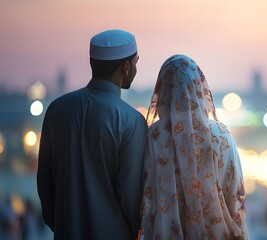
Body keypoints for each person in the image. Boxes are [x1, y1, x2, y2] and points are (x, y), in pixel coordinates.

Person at [37, 29, 148, 239]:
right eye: (135, 62)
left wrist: (64, 224)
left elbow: (45, 180)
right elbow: (132, 197)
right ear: (126, 67)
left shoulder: (57, 109)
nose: (135, 68)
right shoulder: (130, 121)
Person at [140, 54, 248, 239]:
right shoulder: (222, 136)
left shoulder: (152, 136)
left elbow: (144, 195)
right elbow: (236, 195)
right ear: (199, 87)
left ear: (163, 89)